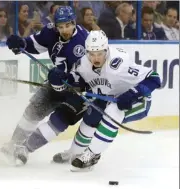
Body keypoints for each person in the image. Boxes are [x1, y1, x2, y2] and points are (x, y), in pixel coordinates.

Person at [50, 30, 161, 171]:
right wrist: (62, 79)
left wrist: (133, 94)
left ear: (106, 50)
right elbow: (78, 82)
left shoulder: (119, 64)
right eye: (91, 54)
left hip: (138, 101)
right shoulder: (83, 64)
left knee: (113, 110)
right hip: (109, 98)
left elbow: (155, 78)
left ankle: (92, 155)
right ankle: (74, 152)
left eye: (100, 54)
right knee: (90, 116)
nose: (95, 58)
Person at [2, 6, 89, 165]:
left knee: (58, 121)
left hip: (80, 91)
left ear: (74, 23)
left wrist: (69, 80)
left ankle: (25, 149)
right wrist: (21, 43)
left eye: (68, 26)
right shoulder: (50, 32)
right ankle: (13, 144)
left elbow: (90, 75)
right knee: (34, 109)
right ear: (55, 25)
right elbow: (35, 44)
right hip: (56, 81)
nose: (64, 30)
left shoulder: (84, 41)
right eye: (61, 26)